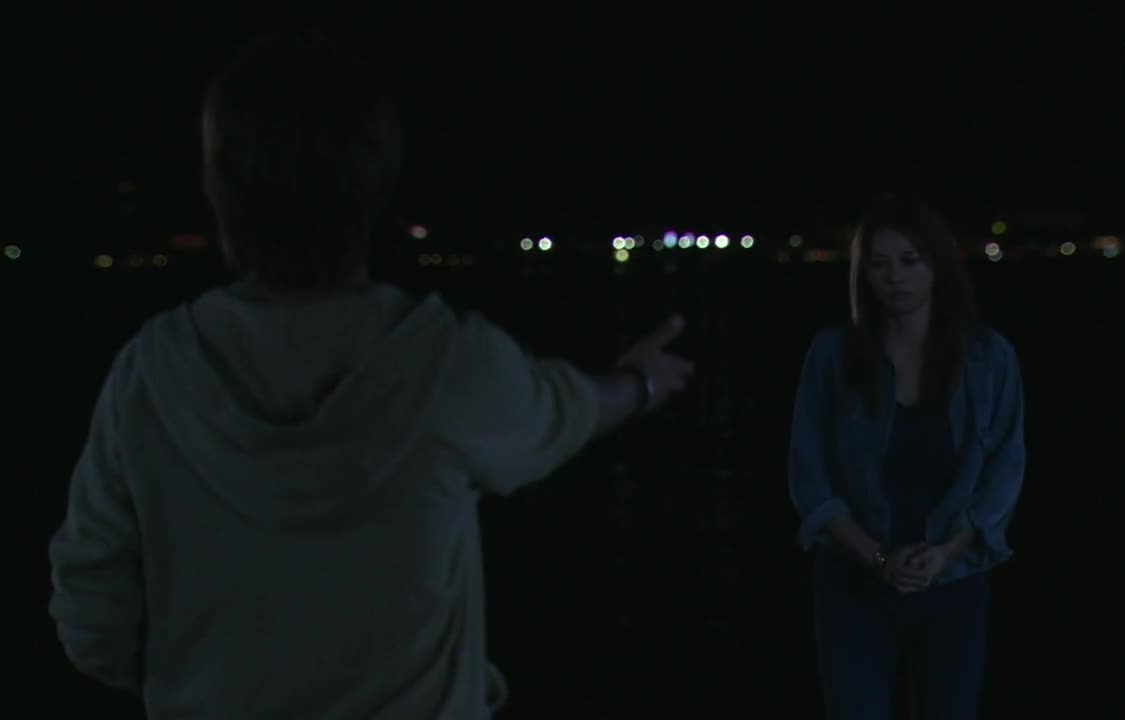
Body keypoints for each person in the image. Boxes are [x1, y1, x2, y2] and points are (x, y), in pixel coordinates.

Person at [46, 29, 695, 719]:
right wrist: (642, 383)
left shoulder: (148, 377)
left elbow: (93, 611)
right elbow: (564, 411)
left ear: (219, 188)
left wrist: (192, 678)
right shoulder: (448, 366)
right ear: (375, 183)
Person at [787, 193, 1026, 719]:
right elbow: (809, 476)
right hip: (853, 581)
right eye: (879, 264)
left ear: (937, 264)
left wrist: (946, 553)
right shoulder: (834, 354)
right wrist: (878, 558)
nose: (894, 277)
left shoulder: (988, 357)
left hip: (952, 582)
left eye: (909, 261)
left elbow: (1004, 472)